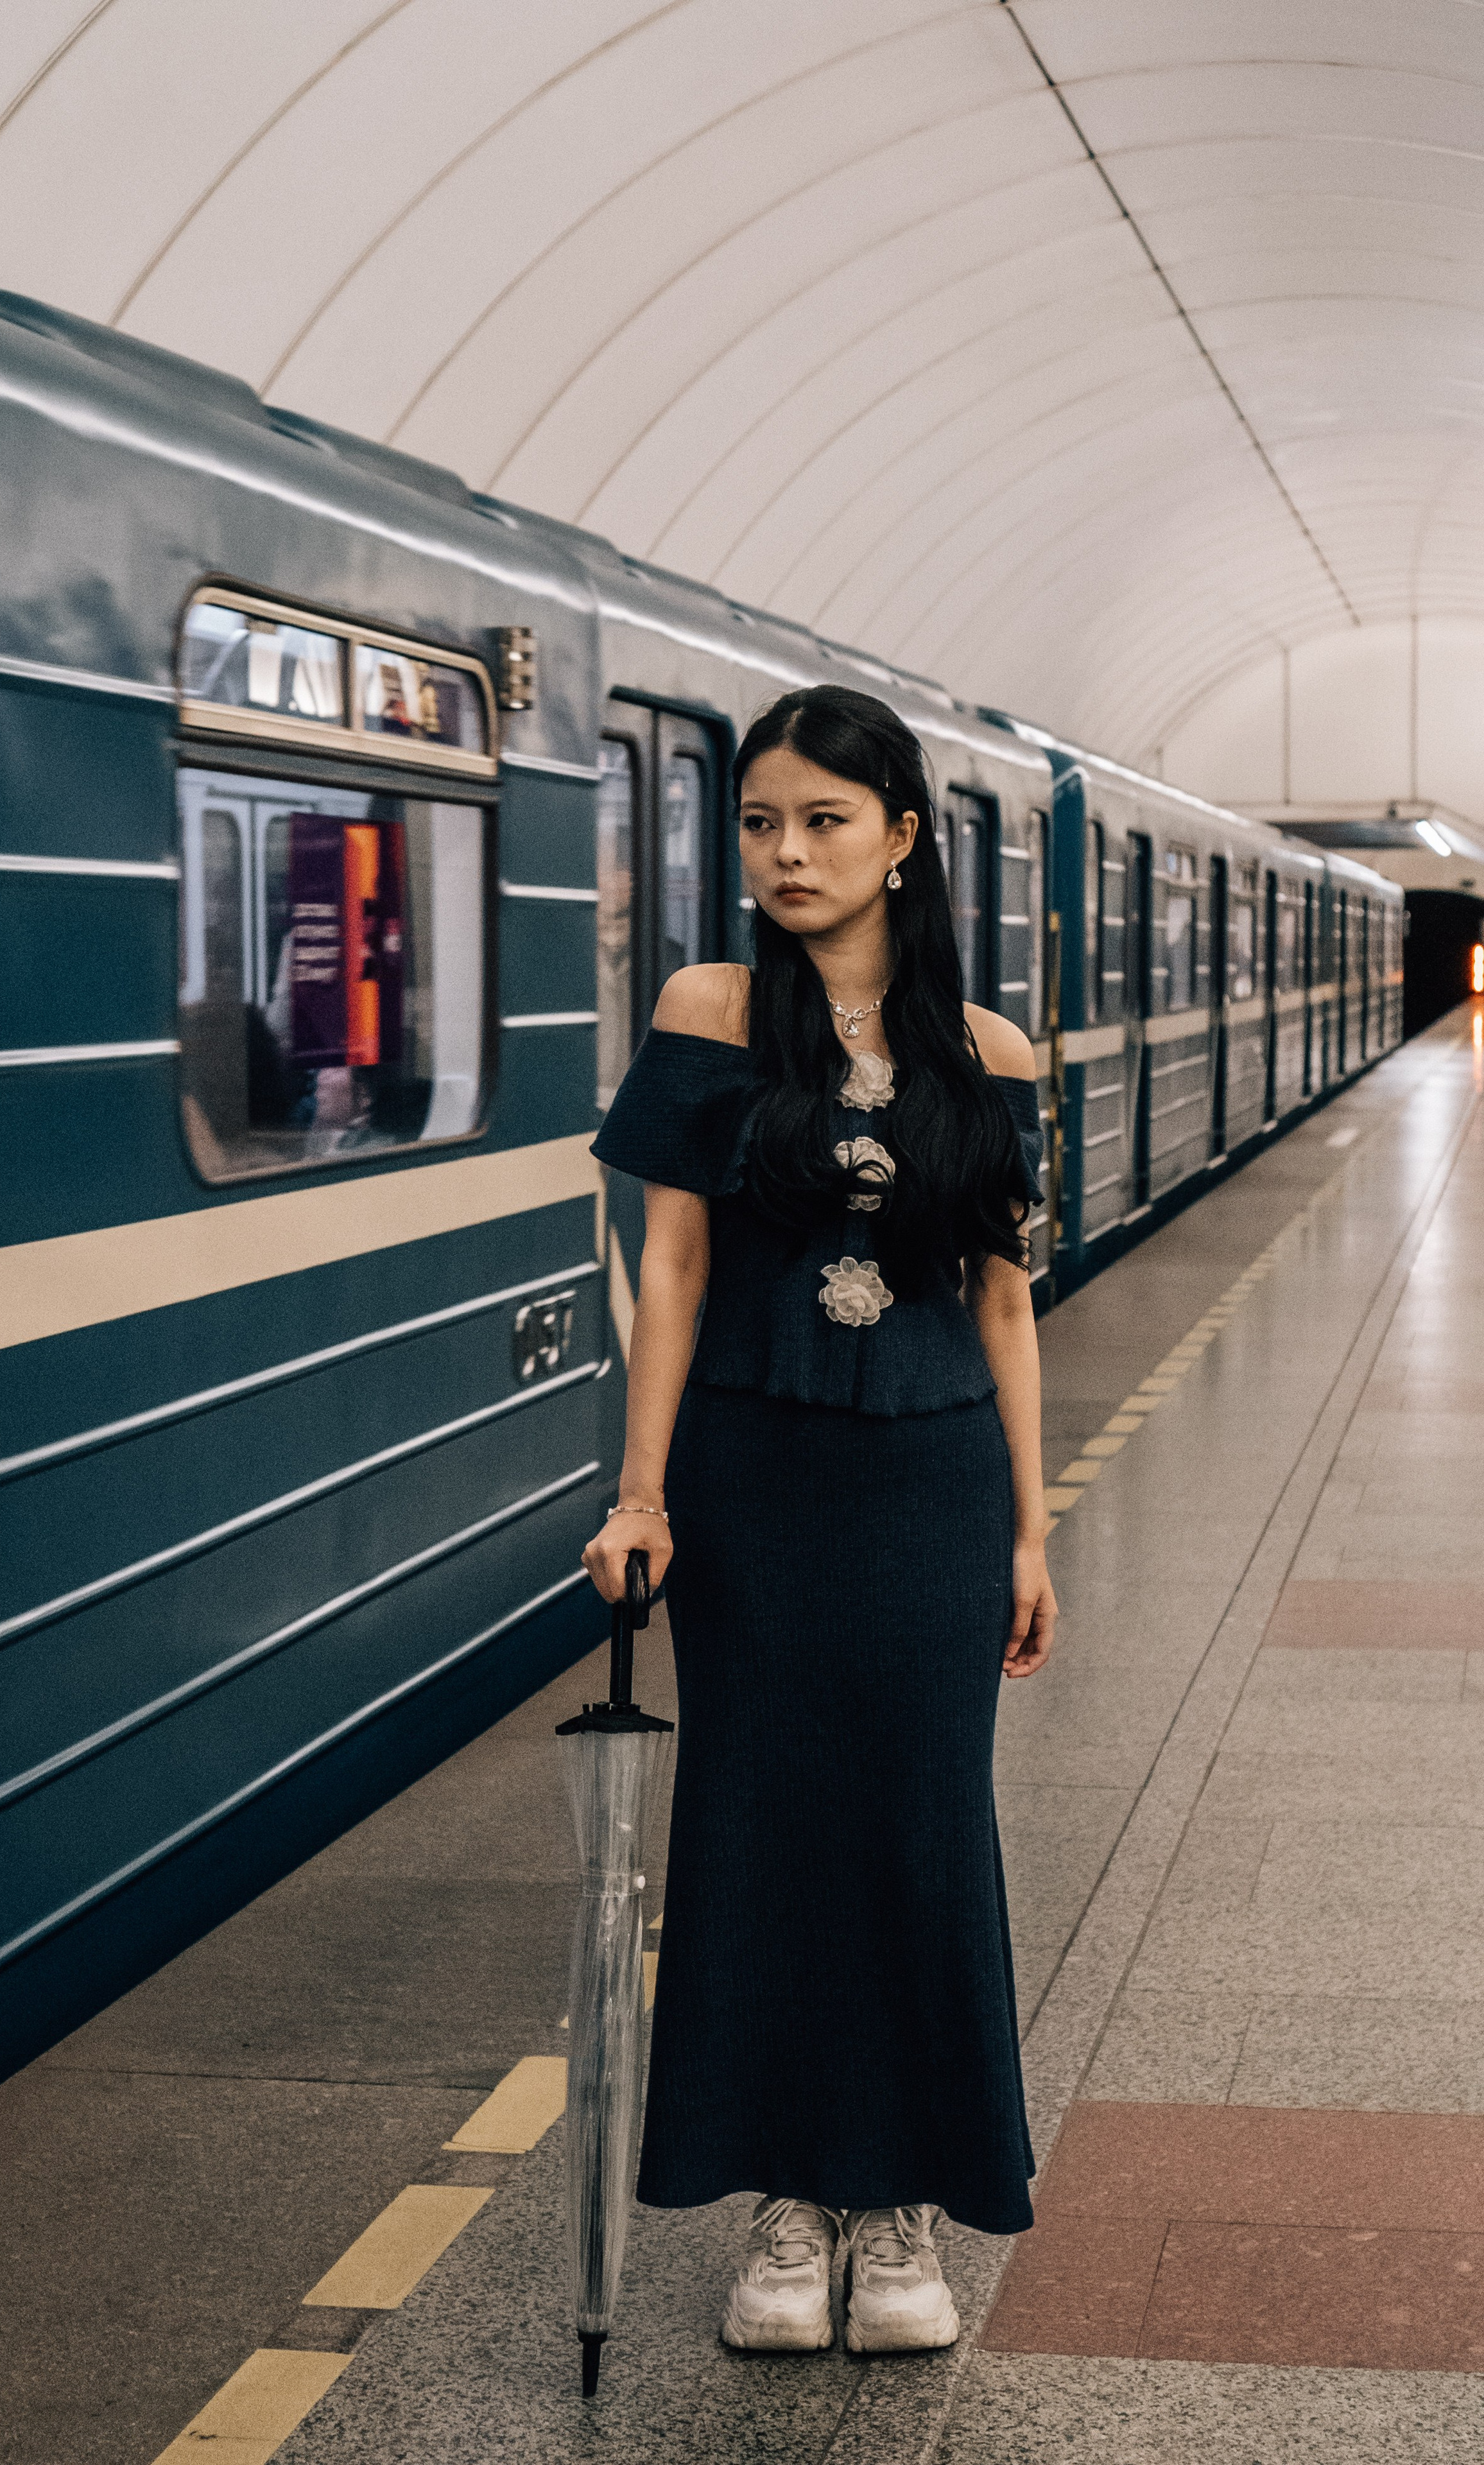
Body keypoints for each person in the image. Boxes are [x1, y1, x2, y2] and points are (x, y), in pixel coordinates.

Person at [582, 684, 1056, 2357]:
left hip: (930, 1486)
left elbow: (1003, 1310)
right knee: (760, 1830)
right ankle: (786, 2208)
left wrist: (1027, 1531)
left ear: (904, 841)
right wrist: (642, 1492)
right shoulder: (710, 1011)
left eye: (825, 822)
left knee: (921, 1833)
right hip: (757, 1488)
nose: (786, 852)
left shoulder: (987, 1054)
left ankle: (902, 2208)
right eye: (763, 822)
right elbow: (679, 1269)